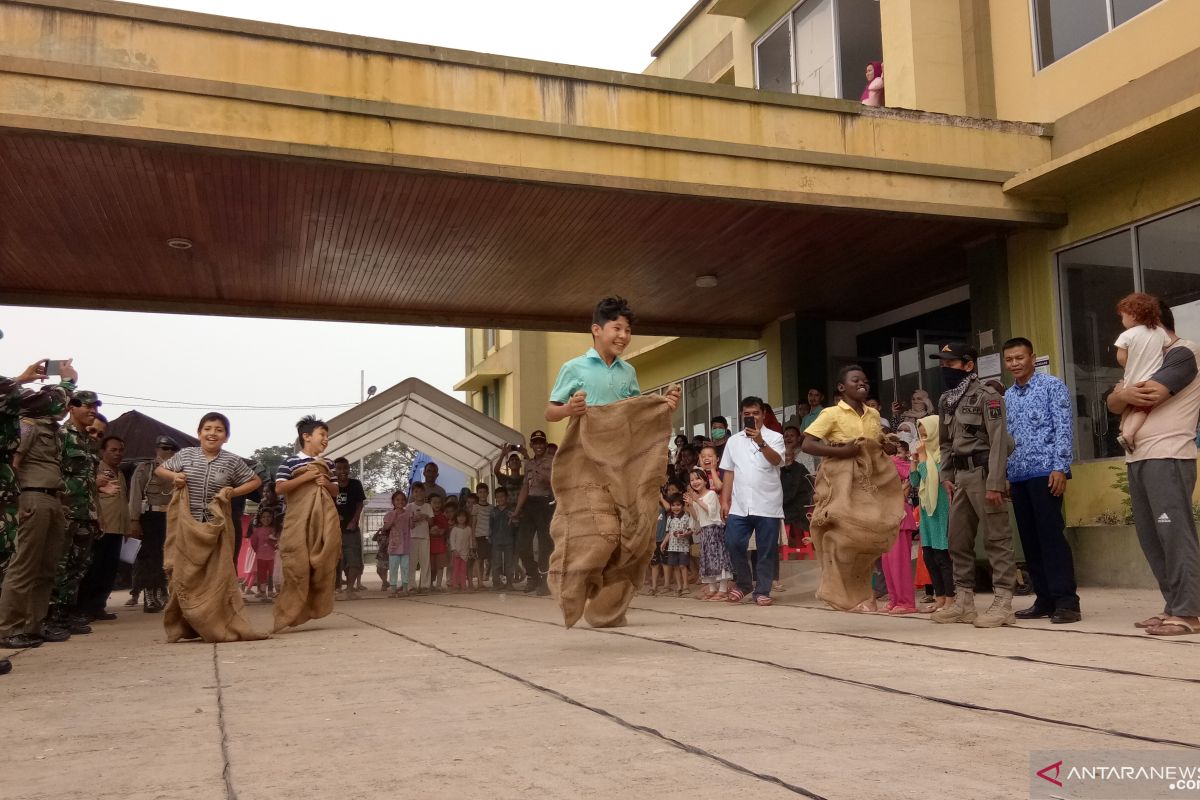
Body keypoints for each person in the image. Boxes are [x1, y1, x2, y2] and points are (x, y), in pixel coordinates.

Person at [544, 296, 680, 627]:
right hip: (586, 462)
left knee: (633, 534)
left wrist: (664, 407)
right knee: (601, 532)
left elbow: (633, 416)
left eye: (628, 329)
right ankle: (573, 587)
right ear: (597, 330)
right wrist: (570, 410)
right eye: (616, 327)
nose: (623, 335)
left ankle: (609, 606)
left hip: (621, 467)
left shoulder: (627, 371)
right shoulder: (574, 368)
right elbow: (550, 411)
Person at [1106, 303, 1200, 636]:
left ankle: (1190, 613)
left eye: (1130, 328)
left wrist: (1125, 393)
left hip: (1169, 454)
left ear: (1152, 324)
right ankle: (1172, 606)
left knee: (1174, 533)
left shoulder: (1183, 353)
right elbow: (1111, 402)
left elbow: (1151, 394)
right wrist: (1123, 395)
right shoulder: (1146, 360)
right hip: (1138, 455)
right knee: (1151, 537)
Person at [927, 343, 1017, 628]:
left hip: (984, 474)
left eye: (950, 364)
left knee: (997, 540)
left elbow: (1000, 440)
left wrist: (995, 483)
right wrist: (946, 476)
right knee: (958, 541)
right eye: (942, 364)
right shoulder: (946, 400)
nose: (945, 369)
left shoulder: (987, 396)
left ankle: (1003, 604)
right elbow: (945, 442)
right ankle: (964, 603)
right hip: (961, 478)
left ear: (968, 365)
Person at [156, 412, 264, 642]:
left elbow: (255, 481)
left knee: (217, 577)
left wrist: (233, 492)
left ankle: (214, 624)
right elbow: (160, 470)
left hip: (216, 528)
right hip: (186, 527)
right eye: (207, 429)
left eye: (218, 430)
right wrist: (175, 476)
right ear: (199, 433)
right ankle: (183, 625)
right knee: (183, 576)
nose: (212, 433)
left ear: (226, 437)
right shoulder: (185, 455)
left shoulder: (232, 461)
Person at [801, 366, 899, 612]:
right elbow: (808, 445)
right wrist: (840, 451)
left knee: (873, 530)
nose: (862, 383)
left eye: (865, 380)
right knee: (842, 528)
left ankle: (861, 591)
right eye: (856, 380)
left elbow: (876, 443)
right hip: (841, 477)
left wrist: (886, 447)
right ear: (842, 388)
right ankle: (837, 588)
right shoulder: (830, 413)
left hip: (870, 478)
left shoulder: (874, 415)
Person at [1002, 337, 1080, 624]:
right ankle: (1044, 599)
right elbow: (1007, 440)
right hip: (1019, 475)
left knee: (1051, 538)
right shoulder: (1007, 397)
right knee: (1030, 541)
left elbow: (1063, 428)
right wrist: (1007, 475)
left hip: (1047, 473)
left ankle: (1067, 602)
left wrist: (1060, 467)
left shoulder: (1052, 386)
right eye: (1009, 359)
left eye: (1019, 357)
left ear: (1032, 358)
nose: (1014, 364)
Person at [46, 390, 103, 635]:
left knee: (79, 565)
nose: (92, 411)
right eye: (87, 406)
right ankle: (50, 617)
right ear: (72, 407)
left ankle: (66, 612)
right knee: (60, 563)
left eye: (95, 407)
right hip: (67, 510)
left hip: (86, 511)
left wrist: (97, 513)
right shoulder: (61, 436)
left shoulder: (87, 440)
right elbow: (54, 472)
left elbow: (90, 481)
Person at [721, 395, 786, 606]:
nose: (751, 417)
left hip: (767, 503)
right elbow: (729, 472)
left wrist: (760, 441)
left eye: (755, 413)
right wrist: (725, 500)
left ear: (763, 414)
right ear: (741, 415)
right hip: (740, 505)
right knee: (733, 542)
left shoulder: (775, 437)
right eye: (747, 414)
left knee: (766, 550)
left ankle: (762, 591)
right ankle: (745, 583)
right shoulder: (733, 441)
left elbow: (777, 460)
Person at [76, 434, 129, 620]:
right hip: (101, 528)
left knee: (109, 570)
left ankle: (98, 607)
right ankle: (85, 608)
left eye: (121, 450)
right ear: (102, 451)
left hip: (117, 529)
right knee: (95, 569)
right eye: (113, 450)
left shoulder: (120, 472)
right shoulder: (97, 470)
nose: (118, 454)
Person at [1114, 293, 1171, 453]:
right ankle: (1128, 432)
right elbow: (1165, 349)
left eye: (1122, 317)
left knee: (1130, 404)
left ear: (1132, 315)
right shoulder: (1159, 332)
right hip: (1152, 379)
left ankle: (1125, 429)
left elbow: (1121, 356)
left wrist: (1129, 366)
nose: (1122, 321)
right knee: (1143, 408)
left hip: (1131, 379)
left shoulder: (1126, 335)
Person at [129, 435, 179, 613]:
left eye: (170, 449)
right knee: (148, 557)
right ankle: (149, 594)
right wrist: (134, 520)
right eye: (163, 448)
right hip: (150, 516)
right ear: (156, 449)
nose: (166, 452)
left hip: (172, 518)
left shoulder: (179, 471)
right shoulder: (146, 468)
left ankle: (162, 591)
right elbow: (135, 494)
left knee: (167, 557)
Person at [912, 416, 952, 612]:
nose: (924, 439)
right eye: (921, 435)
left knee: (942, 556)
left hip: (940, 508)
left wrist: (922, 459)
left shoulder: (943, 455)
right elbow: (915, 482)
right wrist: (915, 463)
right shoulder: (925, 455)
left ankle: (951, 598)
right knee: (928, 555)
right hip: (927, 510)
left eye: (927, 434)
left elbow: (931, 478)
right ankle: (940, 597)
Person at [511, 430, 554, 595]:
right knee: (522, 544)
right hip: (530, 504)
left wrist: (545, 476)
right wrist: (516, 510)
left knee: (545, 545)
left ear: (545, 444)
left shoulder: (552, 461)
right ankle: (533, 576)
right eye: (535, 443)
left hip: (545, 503)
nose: (538, 446)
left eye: (541, 443)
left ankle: (545, 582)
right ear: (531, 445)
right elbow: (525, 487)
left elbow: (556, 482)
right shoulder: (528, 464)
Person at [881, 438, 918, 614]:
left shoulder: (893, 462)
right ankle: (895, 598)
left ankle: (906, 601)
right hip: (884, 516)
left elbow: (910, 474)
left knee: (898, 563)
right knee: (887, 562)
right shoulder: (876, 465)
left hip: (899, 516)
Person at [686, 467, 730, 601]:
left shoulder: (711, 494)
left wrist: (697, 501)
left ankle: (722, 589)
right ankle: (712, 588)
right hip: (705, 531)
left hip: (714, 530)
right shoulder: (697, 498)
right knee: (707, 560)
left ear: (705, 480)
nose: (695, 482)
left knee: (718, 558)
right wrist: (690, 505)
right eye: (692, 480)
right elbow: (697, 518)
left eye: (698, 478)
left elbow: (711, 512)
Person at [331, 457, 366, 599]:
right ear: (334, 470)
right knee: (333, 562)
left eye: (345, 468)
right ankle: (333, 589)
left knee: (354, 561)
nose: (342, 471)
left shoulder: (355, 484)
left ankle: (350, 590)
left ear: (349, 468)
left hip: (351, 530)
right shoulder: (330, 486)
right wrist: (334, 516)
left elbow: (359, 505)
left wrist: (354, 520)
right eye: (339, 468)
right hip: (332, 531)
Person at [381, 491, 412, 596]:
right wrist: (393, 519)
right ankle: (393, 588)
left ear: (406, 502)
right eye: (397, 500)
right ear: (393, 502)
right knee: (393, 568)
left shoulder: (408, 514)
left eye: (403, 500)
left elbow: (412, 526)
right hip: (394, 546)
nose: (400, 502)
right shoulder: (389, 514)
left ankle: (405, 589)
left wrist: (414, 518)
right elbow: (385, 528)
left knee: (405, 567)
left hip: (406, 546)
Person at [407, 482, 433, 593]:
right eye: (416, 491)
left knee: (425, 562)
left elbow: (432, 521)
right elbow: (406, 523)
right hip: (412, 537)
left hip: (424, 537)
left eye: (421, 491)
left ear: (425, 492)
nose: (419, 493)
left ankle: (425, 585)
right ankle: (411, 585)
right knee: (411, 562)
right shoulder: (409, 506)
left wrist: (425, 516)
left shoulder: (428, 506)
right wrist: (413, 520)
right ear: (412, 494)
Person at [489, 486, 516, 591]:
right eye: (498, 497)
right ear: (495, 498)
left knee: (509, 564)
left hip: (509, 540)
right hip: (496, 540)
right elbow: (490, 526)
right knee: (496, 563)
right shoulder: (493, 511)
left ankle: (509, 584)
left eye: (502, 496)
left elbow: (516, 525)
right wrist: (490, 537)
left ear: (506, 497)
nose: (500, 499)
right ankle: (496, 584)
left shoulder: (511, 510)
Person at [248, 509, 277, 600]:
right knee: (261, 574)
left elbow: (277, 542)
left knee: (271, 575)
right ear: (260, 519)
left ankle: (271, 591)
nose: (266, 519)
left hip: (272, 557)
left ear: (272, 518)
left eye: (268, 516)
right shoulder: (257, 530)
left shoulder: (274, 530)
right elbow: (253, 542)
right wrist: (258, 551)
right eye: (264, 517)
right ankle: (262, 592)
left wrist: (273, 544)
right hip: (261, 556)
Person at [470, 485, 492, 590]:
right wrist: (473, 539)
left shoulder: (492, 507)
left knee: (490, 559)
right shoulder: (475, 507)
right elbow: (473, 524)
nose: (482, 494)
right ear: (477, 494)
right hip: (479, 537)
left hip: (490, 537)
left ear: (488, 493)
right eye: (480, 492)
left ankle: (486, 578)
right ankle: (479, 582)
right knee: (479, 560)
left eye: (484, 492)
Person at [448, 508, 474, 591]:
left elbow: (470, 540)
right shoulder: (454, 529)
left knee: (463, 570)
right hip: (456, 553)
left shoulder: (468, 529)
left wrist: (471, 549)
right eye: (459, 516)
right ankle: (455, 585)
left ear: (466, 518)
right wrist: (454, 550)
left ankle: (463, 585)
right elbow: (452, 540)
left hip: (465, 553)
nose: (461, 518)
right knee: (455, 569)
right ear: (456, 518)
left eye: (463, 516)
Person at [428, 494, 449, 591]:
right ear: (430, 503)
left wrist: (440, 531)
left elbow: (445, 529)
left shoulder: (442, 516)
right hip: (430, 546)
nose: (437, 505)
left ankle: (439, 585)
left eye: (439, 502)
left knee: (440, 566)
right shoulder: (428, 516)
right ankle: (430, 583)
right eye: (434, 502)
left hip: (440, 545)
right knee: (431, 567)